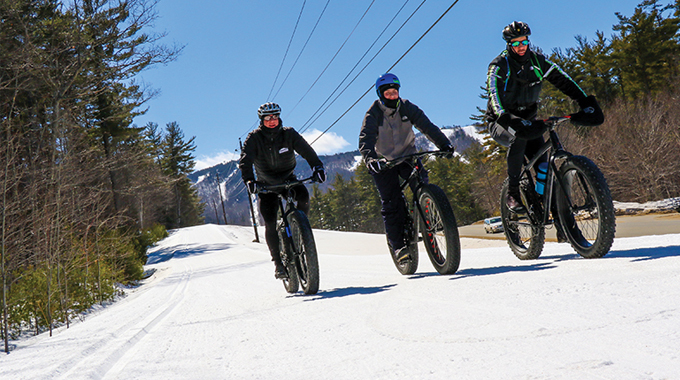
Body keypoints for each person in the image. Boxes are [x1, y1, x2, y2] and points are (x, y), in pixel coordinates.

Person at [486, 21, 604, 213]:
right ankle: (513, 192)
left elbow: (563, 81)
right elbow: (494, 94)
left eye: (523, 41)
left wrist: (585, 102)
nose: (521, 46)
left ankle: (547, 207)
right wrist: (506, 117)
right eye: (515, 43)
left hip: (529, 122)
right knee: (517, 138)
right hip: (502, 122)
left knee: (543, 165)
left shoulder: (538, 62)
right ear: (508, 44)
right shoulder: (500, 65)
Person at [359, 73, 455, 264]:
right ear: (381, 94)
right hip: (384, 162)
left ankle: (428, 215)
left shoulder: (407, 107)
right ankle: (399, 247)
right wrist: (370, 159)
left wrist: (444, 144)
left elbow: (427, 127)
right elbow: (366, 140)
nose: (393, 96)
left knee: (422, 186)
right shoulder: (373, 114)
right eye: (388, 93)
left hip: (408, 156)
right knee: (391, 202)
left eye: (395, 92)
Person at [238, 102, 326, 279]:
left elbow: (307, 150)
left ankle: (300, 229)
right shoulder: (254, 138)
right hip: (266, 185)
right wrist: (250, 181)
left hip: (288, 180)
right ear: (262, 120)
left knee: (303, 197)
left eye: (275, 117)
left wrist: (317, 167)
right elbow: (245, 162)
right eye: (268, 118)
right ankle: (278, 264)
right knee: (270, 222)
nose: (272, 121)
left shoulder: (289, 134)